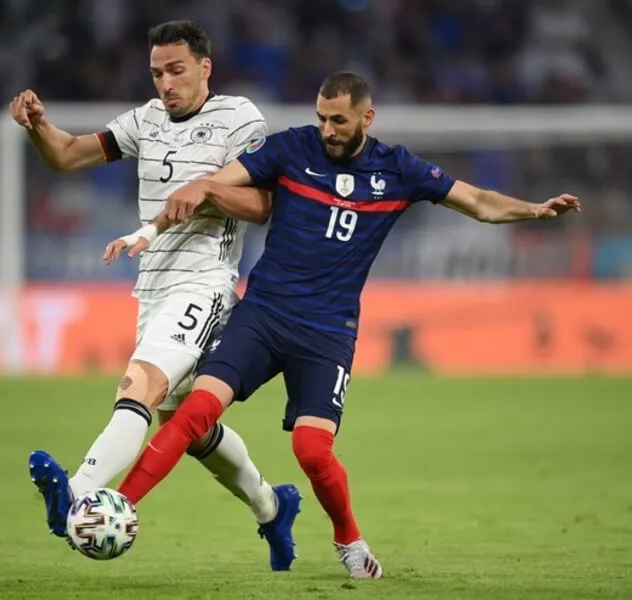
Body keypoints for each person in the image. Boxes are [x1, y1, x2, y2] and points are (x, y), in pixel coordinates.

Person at [104, 71, 581, 579]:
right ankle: (119, 507)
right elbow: (213, 184)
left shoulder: (398, 168)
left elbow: (480, 201)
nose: (327, 130)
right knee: (195, 411)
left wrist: (534, 210)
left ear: (366, 118)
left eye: (338, 121)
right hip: (262, 315)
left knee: (311, 450)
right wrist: (157, 223)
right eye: (321, 119)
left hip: (326, 332)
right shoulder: (291, 148)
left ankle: (348, 539)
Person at [9, 20, 301, 571]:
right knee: (186, 425)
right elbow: (67, 155)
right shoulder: (144, 120)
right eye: (157, 73)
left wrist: (209, 190)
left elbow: (265, 205)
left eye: (176, 70)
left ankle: (77, 491)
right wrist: (38, 125)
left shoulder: (238, 118)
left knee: (138, 384)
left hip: (205, 283)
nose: (166, 83)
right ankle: (272, 507)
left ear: (204, 68)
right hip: (152, 287)